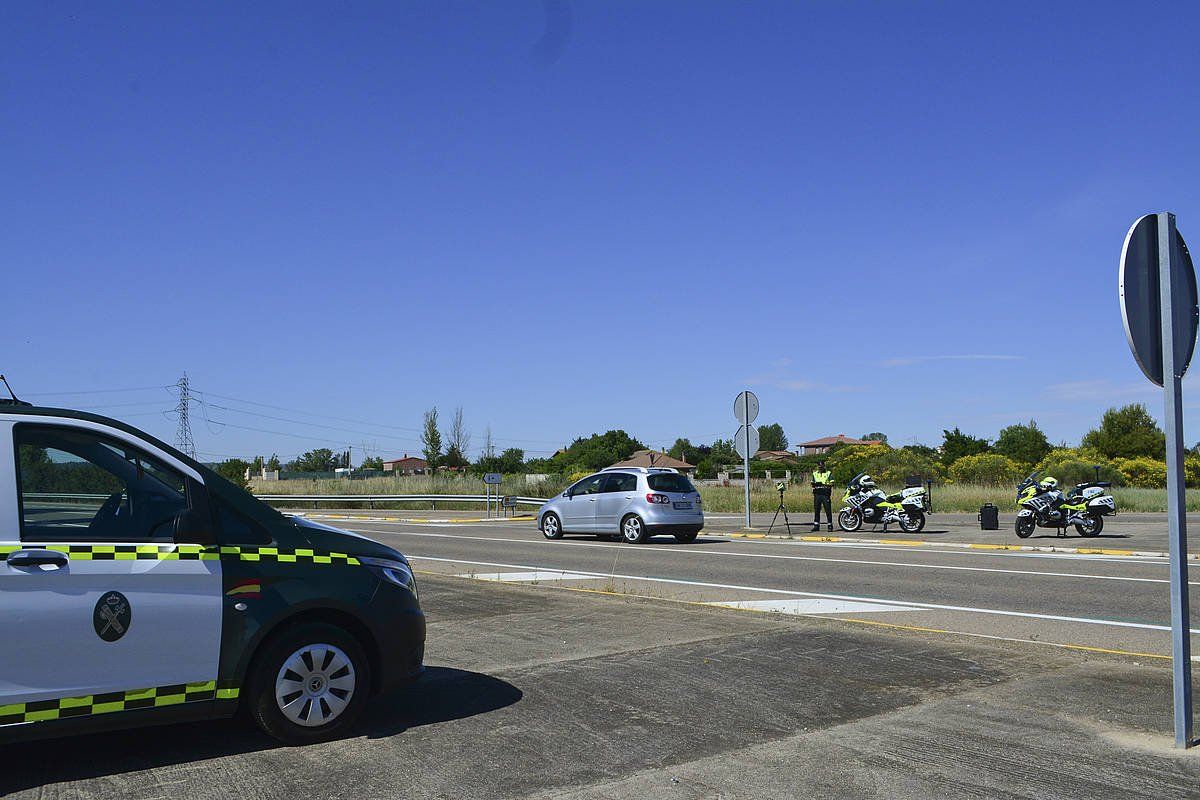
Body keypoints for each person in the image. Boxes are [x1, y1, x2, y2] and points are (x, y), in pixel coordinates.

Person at [811, 461, 833, 531]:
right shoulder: (814, 474)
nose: (820, 468)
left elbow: (832, 483)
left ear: (824, 466)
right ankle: (816, 525)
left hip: (825, 494)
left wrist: (824, 484)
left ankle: (830, 525)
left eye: (821, 467)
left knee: (828, 510)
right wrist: (814, 484)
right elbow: (812, 483)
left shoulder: (828, 473)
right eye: (819, 467)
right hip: (817, 494)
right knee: (817, 510)